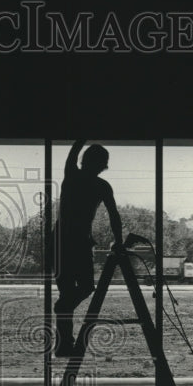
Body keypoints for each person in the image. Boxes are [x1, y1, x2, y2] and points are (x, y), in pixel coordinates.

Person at [53, 139, 124, 357]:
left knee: (69, 292)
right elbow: (114, 215)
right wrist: (118, 241)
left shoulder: (72, 175)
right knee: (83, 288)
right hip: (78, 243)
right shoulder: (101, 185)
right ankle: (64, 337)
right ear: (103, 164)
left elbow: (73, 153)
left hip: (62, 243)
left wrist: (81, 136)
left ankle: (64, 343)